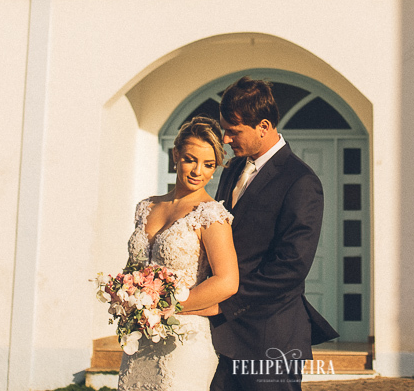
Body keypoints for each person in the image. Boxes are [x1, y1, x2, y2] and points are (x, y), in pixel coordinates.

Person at [210, 77, 338, 391]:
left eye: (234, 131)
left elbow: (290, 267)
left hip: (271, 336)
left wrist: (223, 303)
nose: (226, 139)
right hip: (222, 336)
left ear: (264, 126)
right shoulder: (232, 170)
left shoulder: (301, 181)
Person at [118, 117, 239, 391]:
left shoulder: (211, 215)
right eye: (190, 159)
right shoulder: (146, 206)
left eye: (208, 165)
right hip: (140, 338)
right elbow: (133, 268)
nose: (198, 171)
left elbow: (227, 281)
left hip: (182, 338)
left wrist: (168, 309)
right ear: (175, 155)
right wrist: (125, 298)